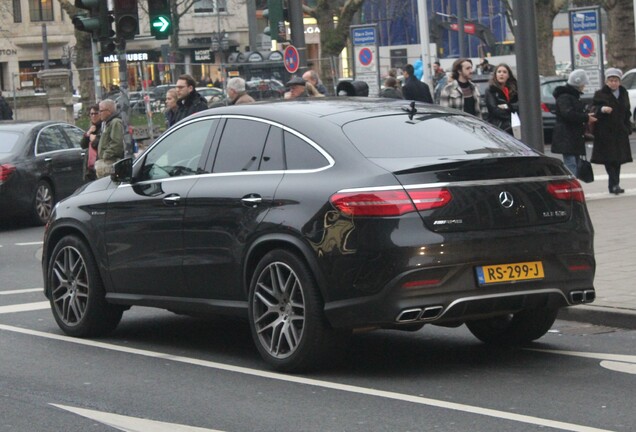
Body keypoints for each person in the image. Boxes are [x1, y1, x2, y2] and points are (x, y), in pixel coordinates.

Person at [590, 68, 633, 194]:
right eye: (610, 80)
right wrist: (602, 109)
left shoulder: (623, 93)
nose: (613, 83)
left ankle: (615, 184)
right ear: (606, 81)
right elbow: (593, 108)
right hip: (605, 132)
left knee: (618, 159)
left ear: (619, 81)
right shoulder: (600, 93)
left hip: (620, 132)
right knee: (609, 159)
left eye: (615, 80)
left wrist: (628, 127)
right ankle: (613, 185)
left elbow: (627, 111)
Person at [551, 69, 597, 177]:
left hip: (571, 137)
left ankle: (573, 187)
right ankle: (572, 188)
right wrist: (586, 118)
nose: (584, 86)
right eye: (583, 84)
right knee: (571, 165)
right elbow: (568, 114)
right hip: (567, 136)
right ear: (578, 83)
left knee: (573, 163)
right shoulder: (566, 97)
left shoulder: (570, 96)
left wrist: (586, 116)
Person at [484, 63, 519, 134]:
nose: (501, 74)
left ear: (508, 75)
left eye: (504, 72)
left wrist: (507, 106)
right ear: (495, 75)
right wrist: (510, 113)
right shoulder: (491, 90)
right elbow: (494, 109)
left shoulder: (515, 90)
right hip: (497, 126)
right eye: (499, 72)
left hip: (514, 126)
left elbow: (518, 106)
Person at [95, 99, 124, 179]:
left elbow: (117, 142)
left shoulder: (115, 122)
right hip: (107, 161)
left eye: (101, 111)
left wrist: (105, 156)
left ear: (109, 111)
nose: (99, 114)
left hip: (110, 162)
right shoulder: (107, 123)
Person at [80, 104, 101, 181]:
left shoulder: (103, 127)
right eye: (91, 114)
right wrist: (88, 133)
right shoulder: (91, 128)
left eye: (96, 113)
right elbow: (83, 145)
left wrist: (94, 140)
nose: (93, 116)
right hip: (90, 167)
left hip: (100, 164)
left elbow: (102, 144)